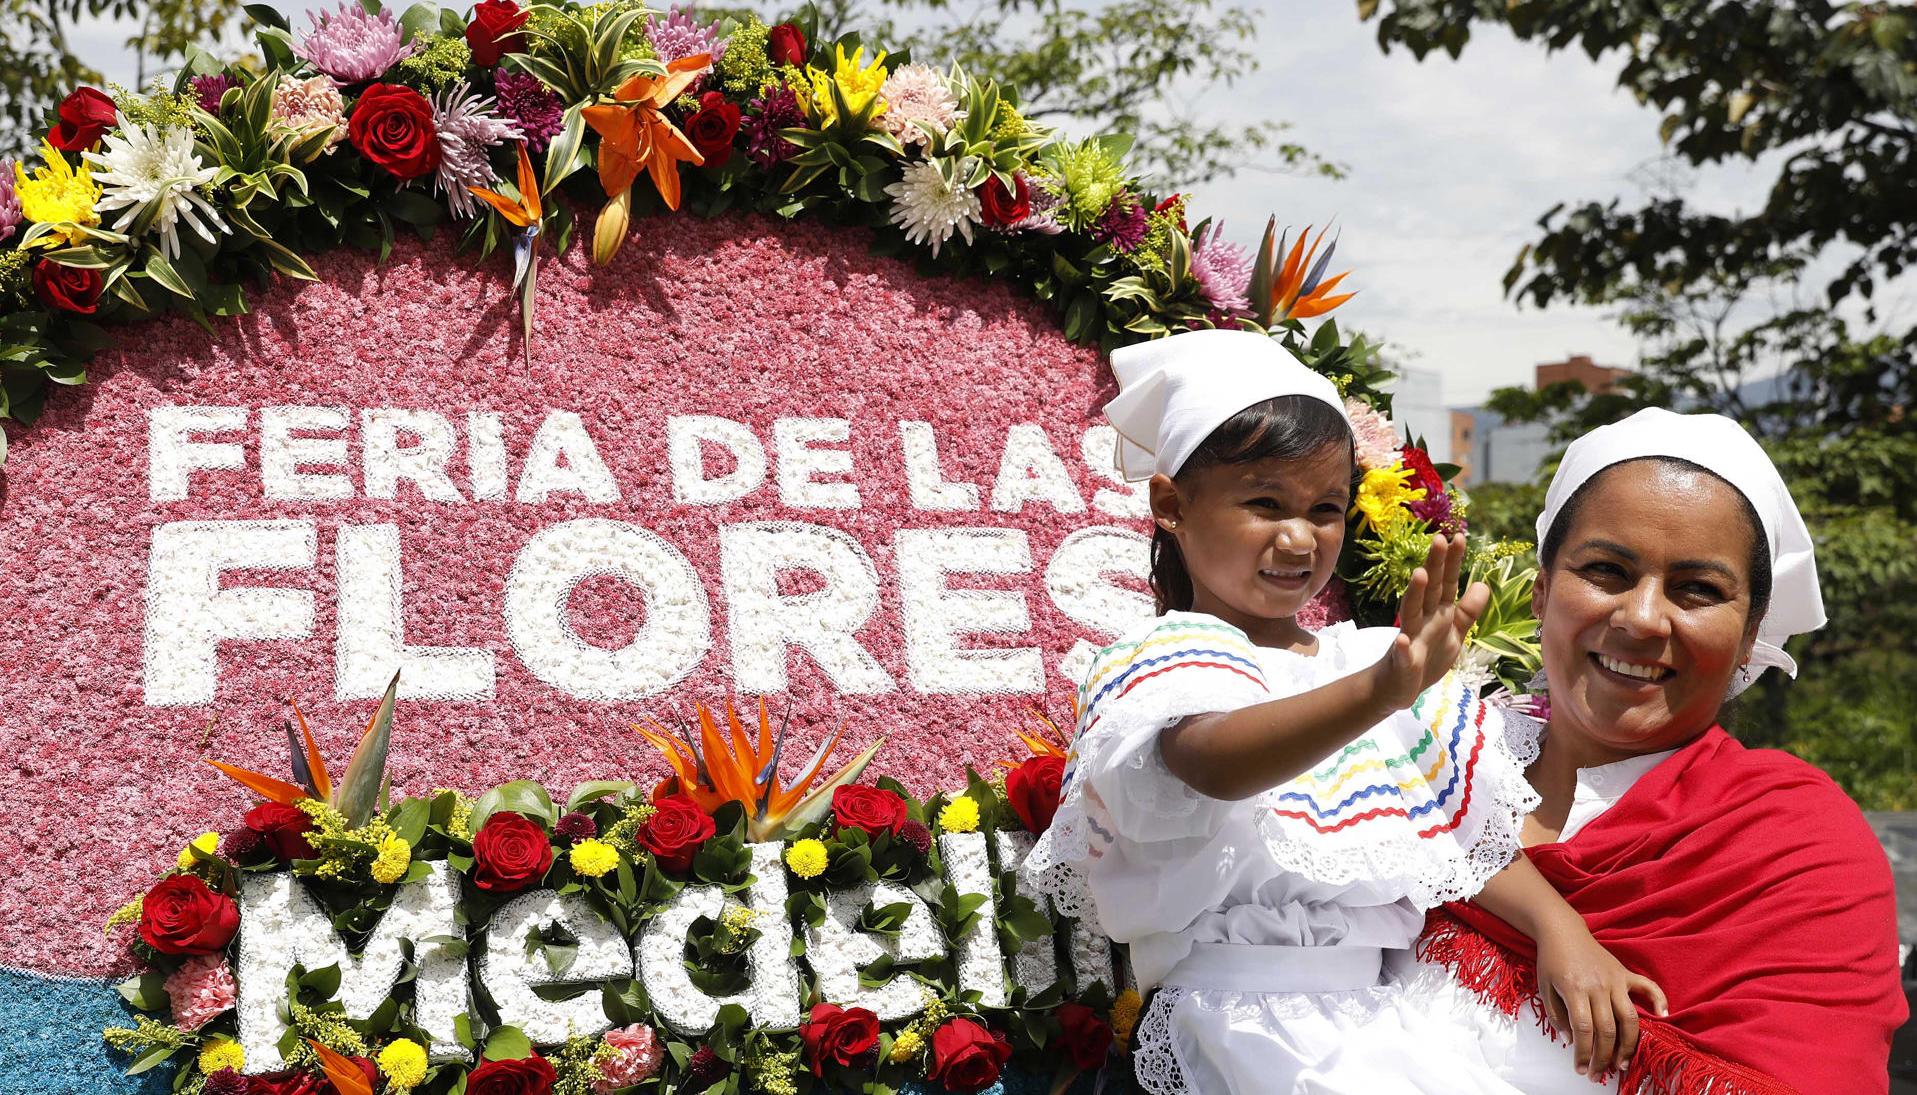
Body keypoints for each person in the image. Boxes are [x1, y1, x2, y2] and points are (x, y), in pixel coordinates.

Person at [1022, 329, 1660, 1093]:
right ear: (1171, 506)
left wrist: (1562, 930)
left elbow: (1455, 830)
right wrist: (1376, 695)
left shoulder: (1357, 660)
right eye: (1265, 502)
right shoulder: (1161, 656)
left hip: (1387, 1014)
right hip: (1239, 1021)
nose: (1299, 537)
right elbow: (1212, 759)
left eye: (1325, 508)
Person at [1410, 408, 1908, 1093]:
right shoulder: (1421, 761)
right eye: (1607, 569)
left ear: (1748, 635)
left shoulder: (1796, 844)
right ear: (1541, 589)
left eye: (1697, 589)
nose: (1642, 617)